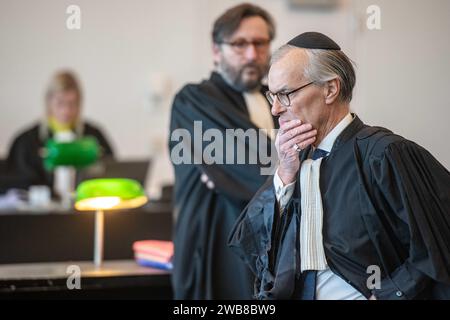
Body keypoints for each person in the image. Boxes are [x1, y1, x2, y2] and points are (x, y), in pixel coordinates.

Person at [229, 32, 450, 300]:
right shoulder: (292, 161)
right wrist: (284, 174)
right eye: (271, 95)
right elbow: (252, 244)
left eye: (285, 94)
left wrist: (385, 296)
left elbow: (434, 247)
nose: (275, 109)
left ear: (330, 89)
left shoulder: (384, 154)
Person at [168, 3, 278, 299]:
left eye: (260, 43)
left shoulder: (278, 102)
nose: (252, 55)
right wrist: (294, 169)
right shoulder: (194, 102)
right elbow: (253, 168)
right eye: (239, 44)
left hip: (273, 256)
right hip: (214, 253)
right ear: (217, 51)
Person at [6, 70, 115, 191]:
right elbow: (16, 183)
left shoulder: (94, 137)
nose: (66, 111)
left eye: (72, 104)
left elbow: (111, 170)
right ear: (48, 102)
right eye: (60, 103)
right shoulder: (25, 141)